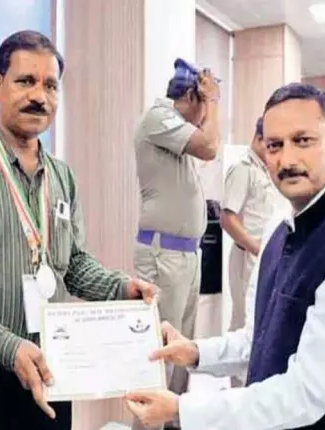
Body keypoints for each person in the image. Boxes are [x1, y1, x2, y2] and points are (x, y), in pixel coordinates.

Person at [124, 82, 325, 430]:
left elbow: (304, 395)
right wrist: (196, 352)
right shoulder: (280, 228)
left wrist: (182, 409)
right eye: (275, 145)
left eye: (302, 141)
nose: (286, 160)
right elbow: (259, 340)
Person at [0, 30, 155, 430]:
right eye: (25, 81)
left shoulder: (62, 176)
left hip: (51, 372)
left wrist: (120, 287)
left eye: (50, 86)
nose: (39, 96)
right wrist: (6, 347)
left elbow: (72, 264)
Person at [132, 58, 220, 430]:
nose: (205, 116)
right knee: (160, 356)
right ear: (190, 97)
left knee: (182, 353)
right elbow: (210, 146)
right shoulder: (158, 118)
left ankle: (173, 424)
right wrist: (212, 99)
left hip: (184, 255)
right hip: (162, 255)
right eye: (203, 105)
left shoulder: (176, 130)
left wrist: (207, 104)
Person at [221, 117, 289, 334]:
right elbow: (227, 218)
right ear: (259, 138)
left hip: (270, 254)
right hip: (248, 256)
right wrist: (258, 249)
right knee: (245, 322)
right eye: (271, 144)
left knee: (264, 321)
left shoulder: (269, 170)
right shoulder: (243, 169)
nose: (275, 151)